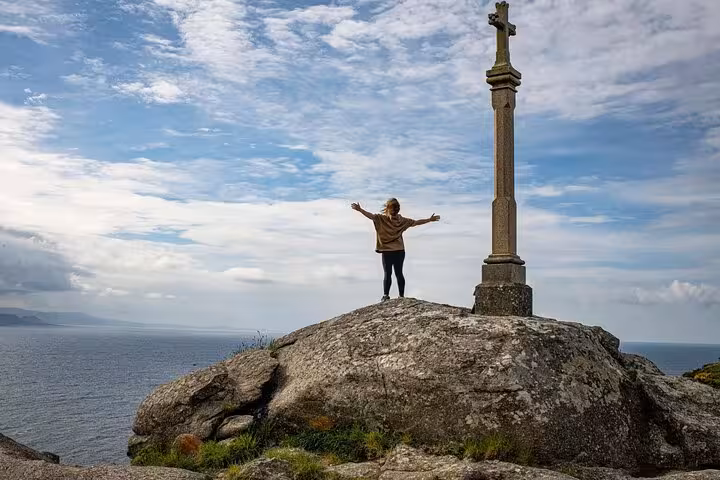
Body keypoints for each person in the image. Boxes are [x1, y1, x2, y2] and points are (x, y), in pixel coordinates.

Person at [351, 198, 440, 302]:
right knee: (389, 273)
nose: (395, 210)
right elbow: (371, 216)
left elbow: (415, 222)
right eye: (393, 208)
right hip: (391, 251)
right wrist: (360, 210)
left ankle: (399, 296)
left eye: (397, 208)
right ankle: (386, 295)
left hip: (397, 250)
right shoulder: (382, 219)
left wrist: (429, 220)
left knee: (397, 273)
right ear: (388, 208)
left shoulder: (401, 220)